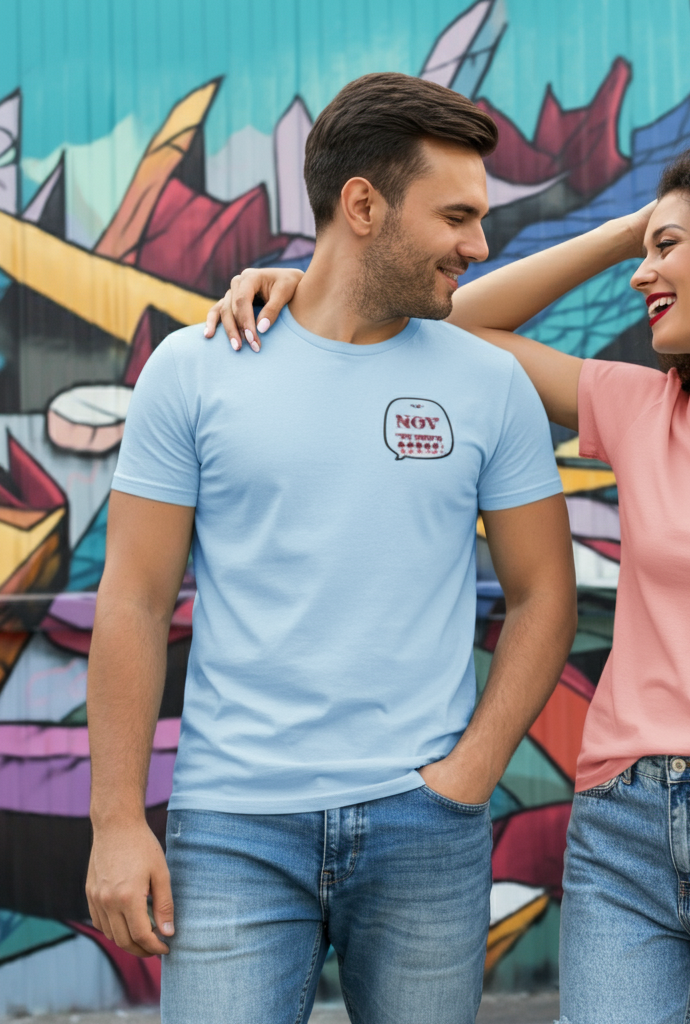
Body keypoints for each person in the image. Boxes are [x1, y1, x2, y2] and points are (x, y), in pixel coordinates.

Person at [212, 143, 690, 1024]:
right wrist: (621, 232)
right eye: (645, 251)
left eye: (666, 249)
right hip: (623, 832)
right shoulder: (645, 412)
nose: (645, 273)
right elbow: (451, 329)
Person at [85, 72, 577, 1024]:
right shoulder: (194, 372)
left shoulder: (491, 384)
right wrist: (115, 821)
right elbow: (133, 600)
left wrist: (469, 774)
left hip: (425, 826)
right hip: (232, 830)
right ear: (363, 205)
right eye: (458, 216)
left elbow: (544, 594)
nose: (479, 245)